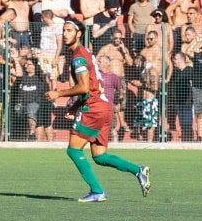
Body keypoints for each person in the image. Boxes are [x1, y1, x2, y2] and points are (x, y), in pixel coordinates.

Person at [45, 18, 151, 203]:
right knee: (100, 156)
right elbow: (93, 85)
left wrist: (59, 93)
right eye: (64, 30)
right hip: (104, 106)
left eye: (69, 30)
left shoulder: (78, 56)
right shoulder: (85, 52)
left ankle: (97, 190)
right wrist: (76, 106)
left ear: (79, 34)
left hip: (94, 108)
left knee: (73, 150)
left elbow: (85, 87)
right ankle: (138, 170)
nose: (65, 33)